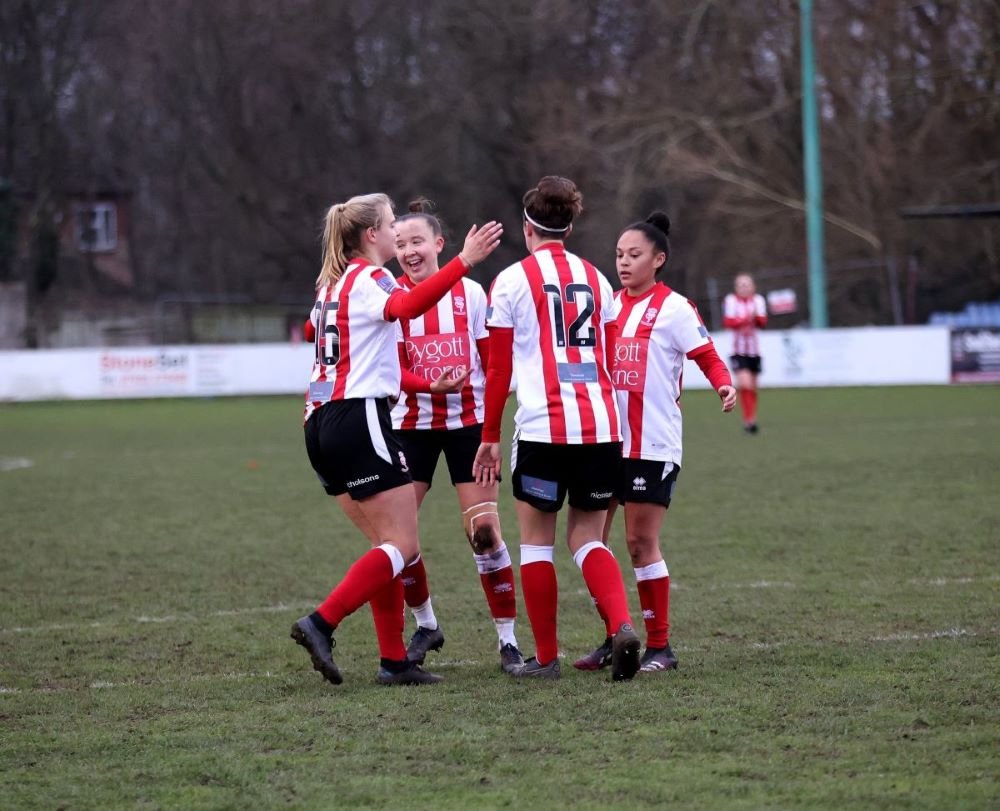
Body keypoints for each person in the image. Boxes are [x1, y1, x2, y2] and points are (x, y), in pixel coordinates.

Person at [290, 192, 502, 686]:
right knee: (402, 545)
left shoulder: (332, 283)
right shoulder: (369, 276)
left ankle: (393, 661)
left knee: (383, 545)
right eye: (390, 226)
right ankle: (321, 622)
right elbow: (406, 305)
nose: (395, 234)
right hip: (357, 417)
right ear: (371, 235)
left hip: (318, 421)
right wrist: (463, 263)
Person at [473, 175, 641, 682]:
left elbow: (498, 372)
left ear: (529, 228)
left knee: (536, 543)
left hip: (544, 428)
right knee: (589, 538)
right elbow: (611, 359)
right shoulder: (598, 278)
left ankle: (545, 658)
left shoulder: (510, 281)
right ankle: (622, 624)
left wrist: (489, 438)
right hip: (600, 426)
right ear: (569, 225)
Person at [573, 211, 736, 674]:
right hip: (603, 442)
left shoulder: (675, 308)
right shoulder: (605, 304)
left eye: (634, 255)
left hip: (652, 444)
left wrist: (723, 384)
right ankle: (614, 635)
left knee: (640, 543)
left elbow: (706, 354)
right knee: (593, 545)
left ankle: (661, 646)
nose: (623, 263)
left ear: (658, 259)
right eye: (619, 254)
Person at [388, 199, 524, 675]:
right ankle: (425, 624)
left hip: (468, 428)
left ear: (439, 245)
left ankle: (508, 641)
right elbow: (389, 371)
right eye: (400, 243)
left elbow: (493, 365)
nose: (408, 250)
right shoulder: (388, 297)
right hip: (411, 429)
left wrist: (492, 432)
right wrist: (428, 385)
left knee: (485, 533)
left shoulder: (471, 294)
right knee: (397, 542)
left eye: (417, 241)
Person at [723, 273, 767, 433]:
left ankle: (751, 419)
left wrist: (754, 318)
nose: (744, 288)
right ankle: (748, 421)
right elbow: (728, 322)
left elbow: (762, 322)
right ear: (736, 288)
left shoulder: (758, 300)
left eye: (747, 285)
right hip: (738, 351)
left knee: (753, 388)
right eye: (741, 285)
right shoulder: (731, 301)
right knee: (745, 385)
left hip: (755, 352)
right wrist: (746, 319)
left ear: (753, 287)